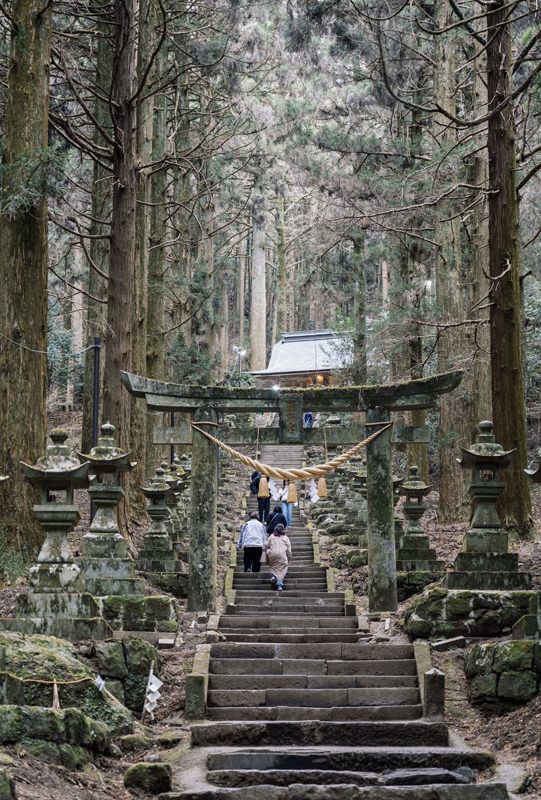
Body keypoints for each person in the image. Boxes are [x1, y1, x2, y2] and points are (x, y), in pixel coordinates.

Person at [265, 523, 292, 591]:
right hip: (282, 555)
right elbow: (288, 550)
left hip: (272, 554)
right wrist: (289, 557)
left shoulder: (272, 536)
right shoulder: (285, 538)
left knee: (272, 566)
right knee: (282, 570)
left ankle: (273, 576)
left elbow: (267, 545)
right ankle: (279, 585)